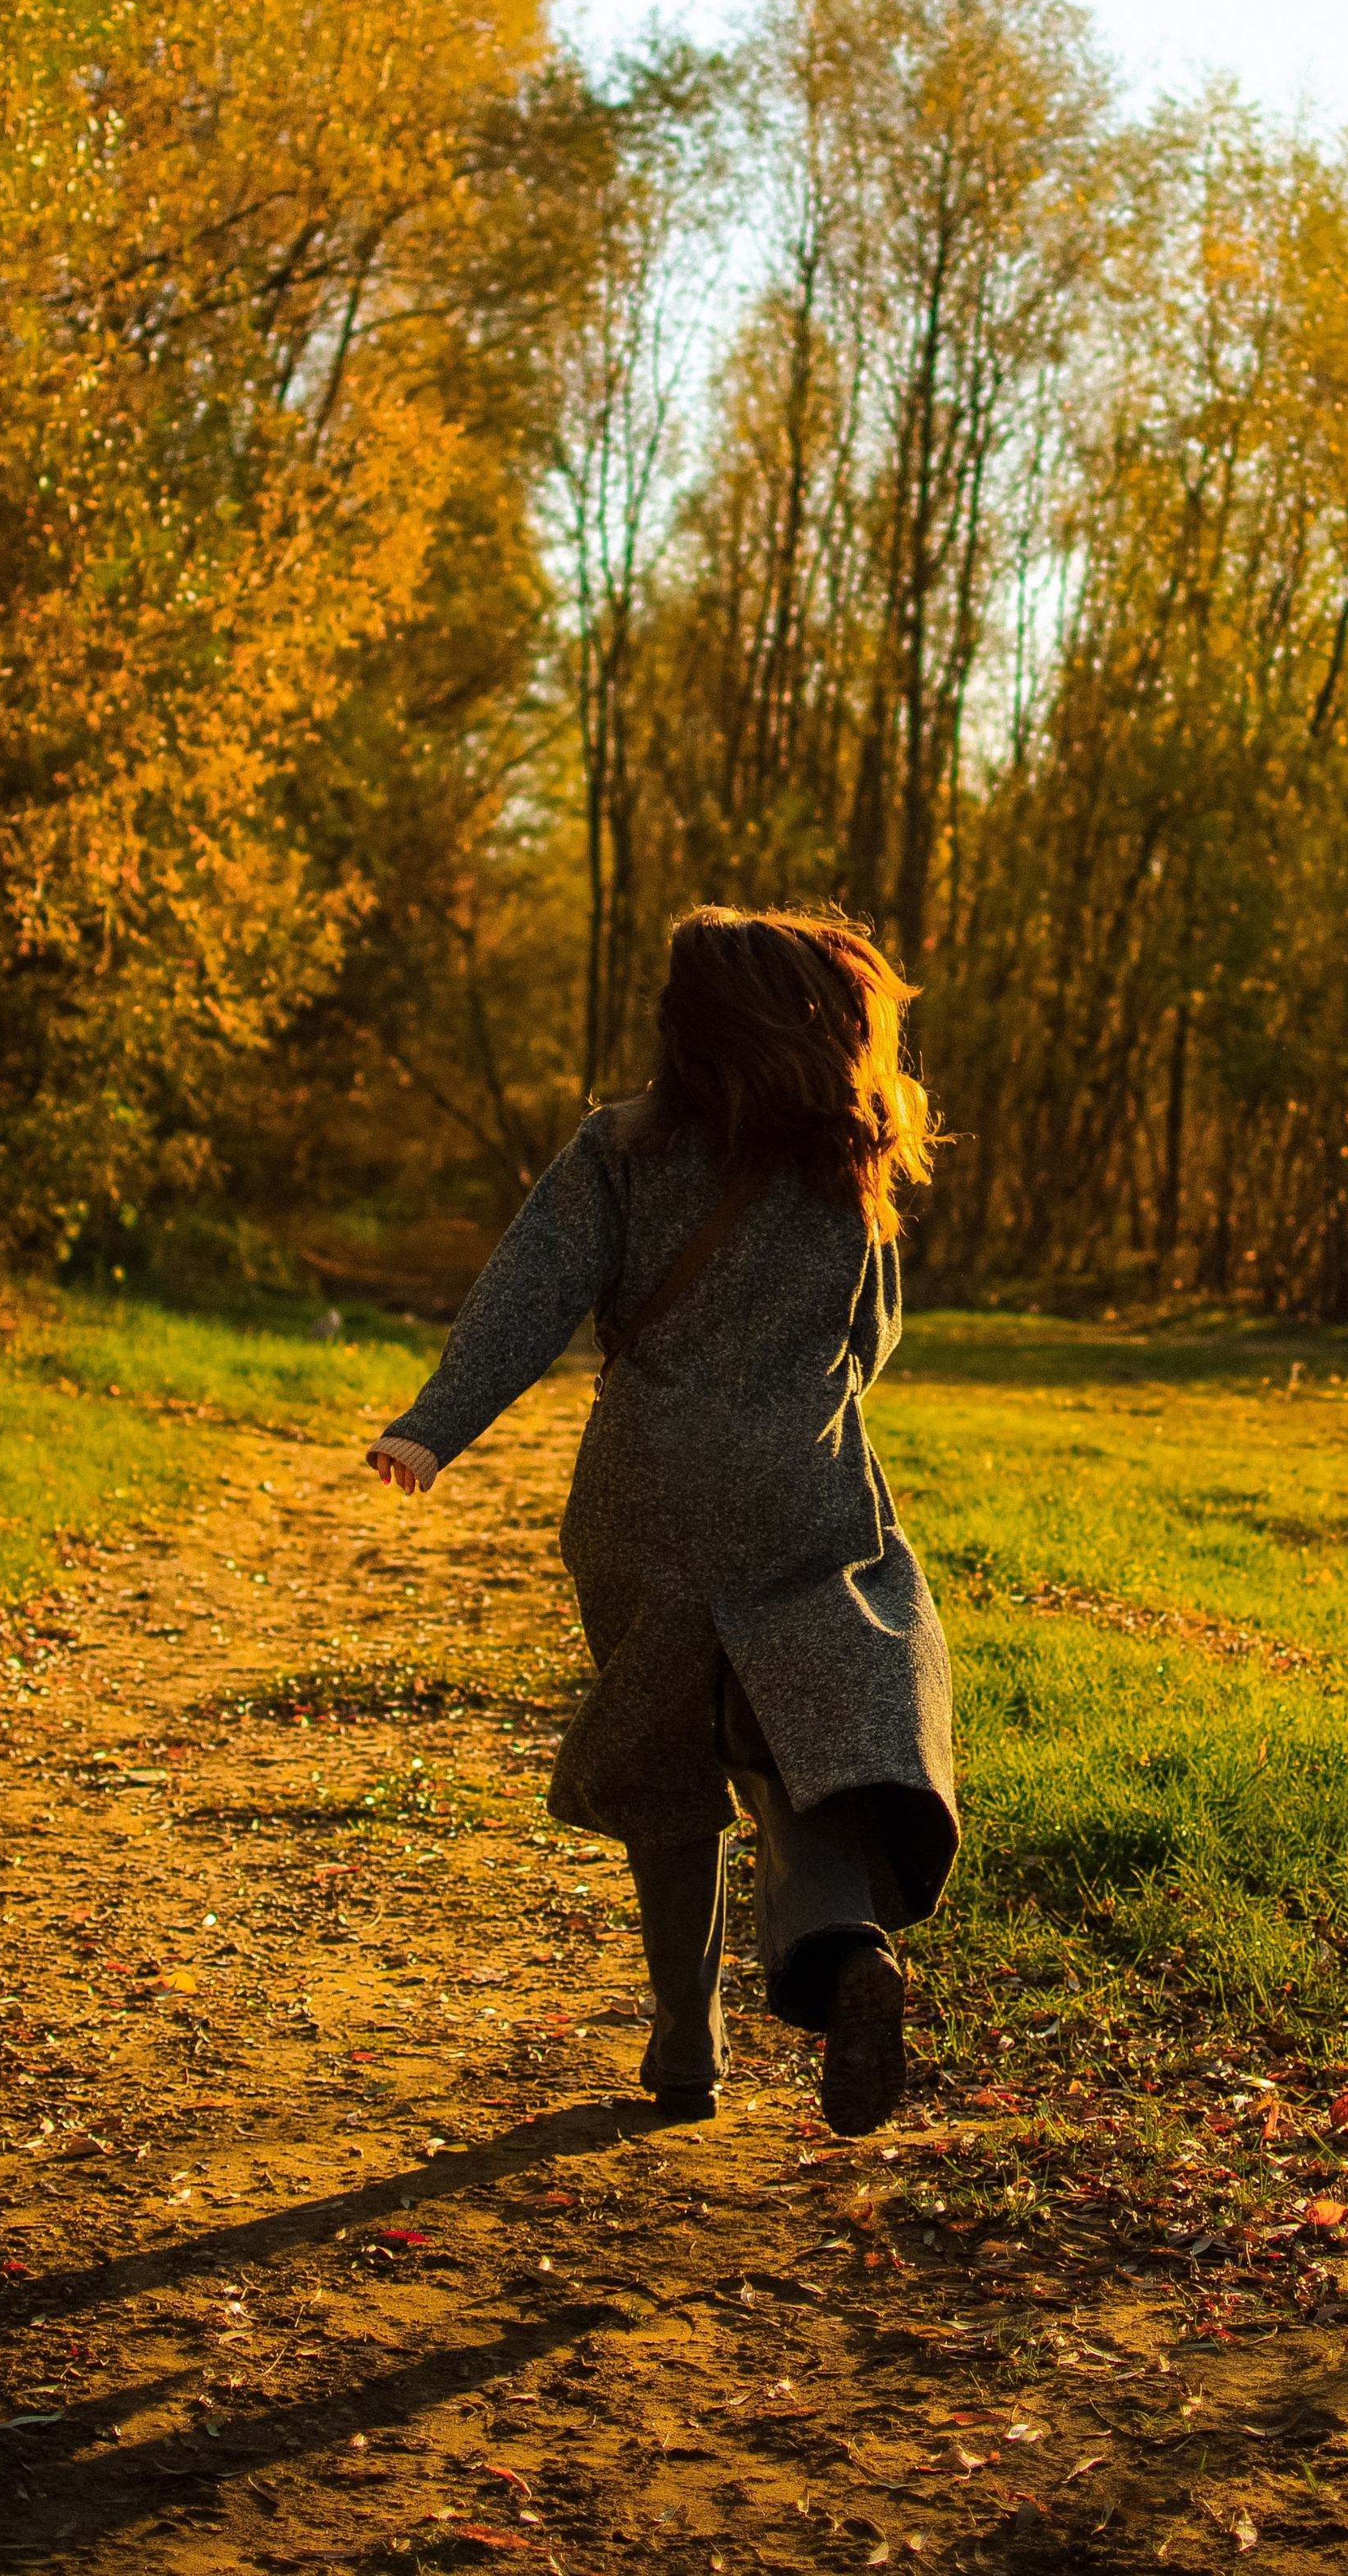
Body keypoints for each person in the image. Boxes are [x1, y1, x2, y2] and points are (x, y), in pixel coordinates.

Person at [367, 905, 958, 2136]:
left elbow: (529, 1294)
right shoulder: (846, 1164)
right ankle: (841, 1950)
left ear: (685, 1032)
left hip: (644, 1496)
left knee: (665, 1757)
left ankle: (686, 2045)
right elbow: (873, 1339)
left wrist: (434, 1426)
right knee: (802, 1740)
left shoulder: (618, 1150)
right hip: (802, 1490)